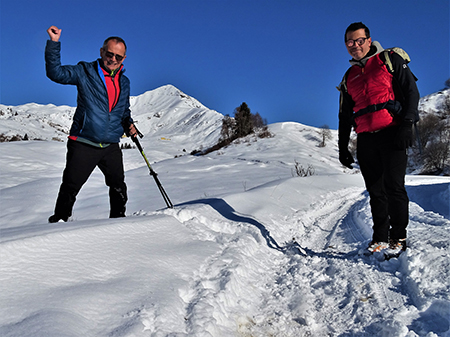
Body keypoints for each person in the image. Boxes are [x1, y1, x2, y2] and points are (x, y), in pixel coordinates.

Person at [338, 22, 420, 253]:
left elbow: (412, 92)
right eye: (350, 42)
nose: (355, 46)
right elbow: (344, 115)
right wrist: (343, 147)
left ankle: (399, 238)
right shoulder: (349, 76)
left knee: (394, 187)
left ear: (369, 39)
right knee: (375, 191)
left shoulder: (389, 59)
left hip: (393, 132)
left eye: (359, 40)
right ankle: (380, 237)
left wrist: (407, 124)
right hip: (366, 139)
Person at [45, 26, 137, 222]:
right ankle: (57, 225)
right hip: (84, 141)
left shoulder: (125, 82)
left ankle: (119, 223)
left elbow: (123, 110)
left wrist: (129, 123)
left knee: (119, 187)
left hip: (110, 145)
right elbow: (55, 73)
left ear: (124, 59)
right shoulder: (84, 72)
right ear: (102, 51)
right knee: (70, 187)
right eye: (109, 54)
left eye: (118, 57)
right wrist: (54, 43)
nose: (113, 59)